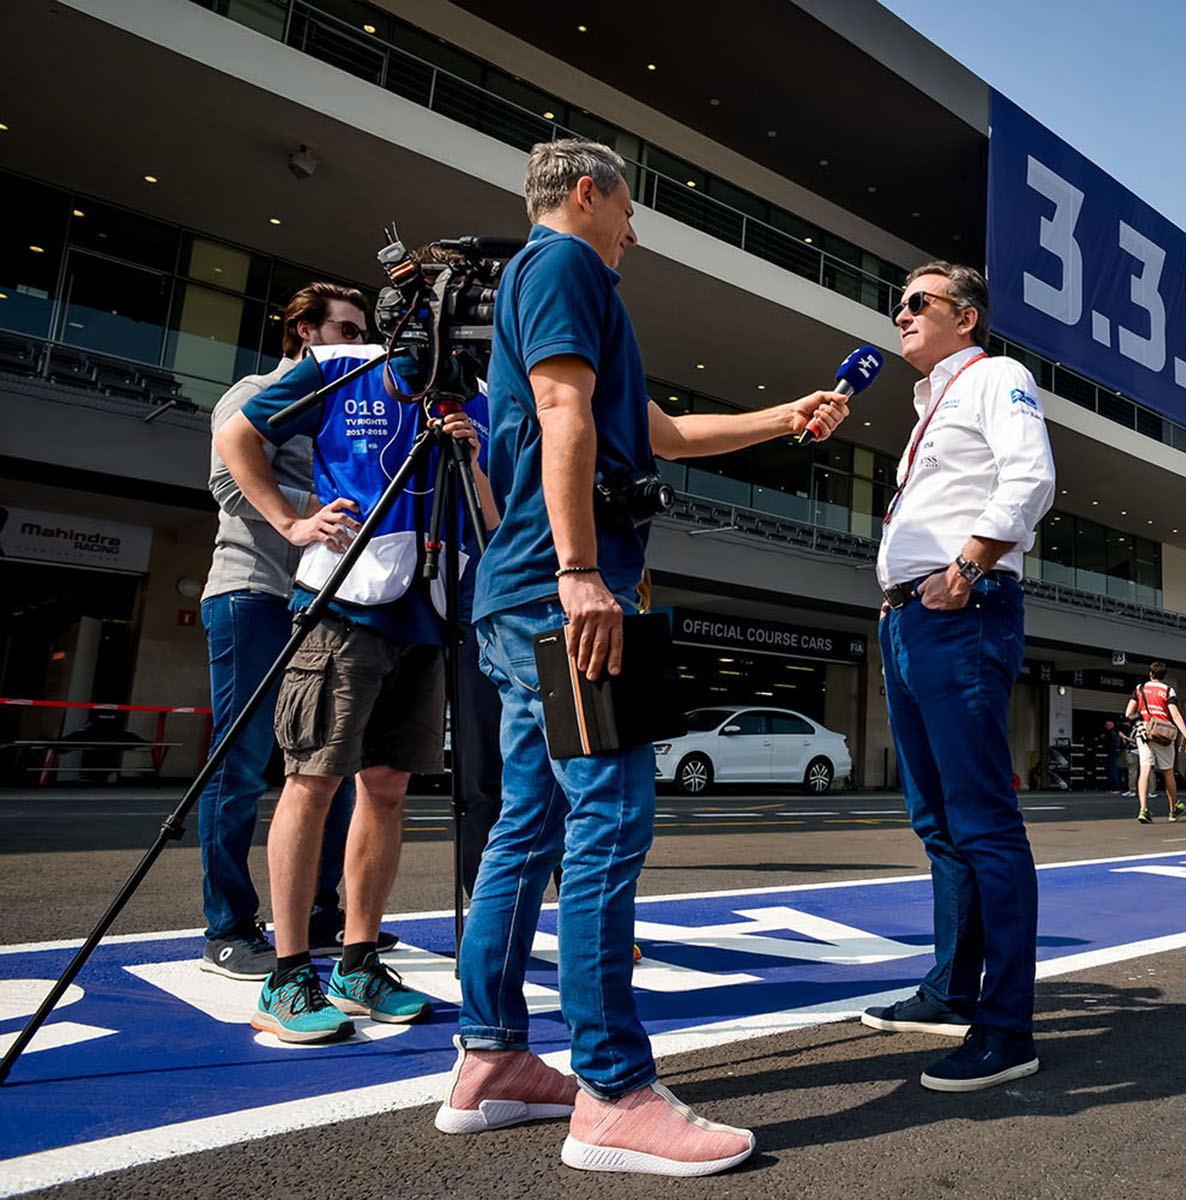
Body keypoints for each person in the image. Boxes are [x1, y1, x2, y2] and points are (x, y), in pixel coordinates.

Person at [437, 138, 849, 1175]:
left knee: (526, 827)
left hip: (522, 587)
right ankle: (613, 1092)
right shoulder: (567, 264)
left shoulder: (552, 283)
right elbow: (562, 411)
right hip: (563, 586)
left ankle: (489, 1061)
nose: (637, 229)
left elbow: (657, 431)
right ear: (589, 193)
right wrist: (582, 574)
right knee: (612, 813)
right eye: (630, 209)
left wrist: (784, 415)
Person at [217, 331, 497, 1043]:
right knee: (312, 780)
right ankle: (287, 974)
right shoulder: (345, 368)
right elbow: (237, 435)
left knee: (388, 788)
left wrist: (469, 455)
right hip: (343, 602)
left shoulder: (482, 403)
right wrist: (290, 521)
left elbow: (496, 523)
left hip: (431, 614)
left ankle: (358, 960)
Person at [857, 259, 1055, 1094]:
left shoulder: (997, 376)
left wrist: (969, 566)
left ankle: (1005, 1028)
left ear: (965, 317)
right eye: (897, 302)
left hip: (961, 611)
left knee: (981, 821)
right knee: (936, 820)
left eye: (917, 302)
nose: (899, 312)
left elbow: (1032, 477)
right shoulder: (928, 403)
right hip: (909, 620)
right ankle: (950, 988)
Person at [196, 283, 393, 979]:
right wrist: (303, 516)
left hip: (321, 605)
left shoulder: (351, 406)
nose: (356, 341)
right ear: (304, 332)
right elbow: (226, 479)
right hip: (253, 591)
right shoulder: (257, 388)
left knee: (327, 763)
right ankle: (226, 926)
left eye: (363, 331)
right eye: (345, 329)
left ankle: (317, 914)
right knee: (243, 761)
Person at [1125, 663, 1186, 822]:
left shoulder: (1139, 688)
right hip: (1163, 734)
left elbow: (1128, 712)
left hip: (1144, 733)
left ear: (1150, 673)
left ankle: (1143, 810)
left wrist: (1142, 722)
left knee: (1144, 771)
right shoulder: (1168, 690)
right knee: (1168, 772)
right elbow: (1175, 715)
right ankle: (1172, 810)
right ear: (1163, 676)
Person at [1098, 718, 1124, 793]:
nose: (1107, 726)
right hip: (1115, 752)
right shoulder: (1115, 731)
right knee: (1113, 769)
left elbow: (1115, 742)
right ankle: (1114, 786)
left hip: (1113, 752)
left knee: (1113, 770)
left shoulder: (1113, 732)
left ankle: (1115, 787)